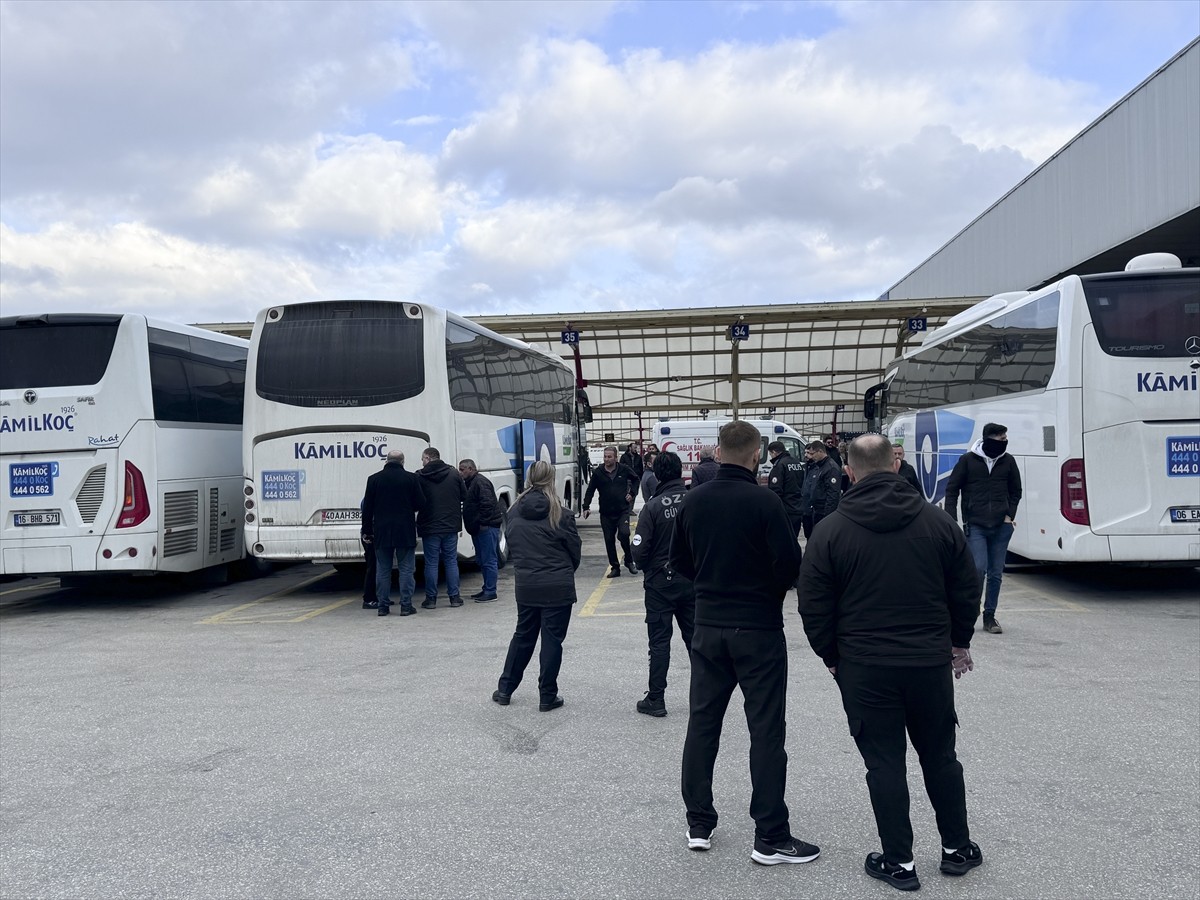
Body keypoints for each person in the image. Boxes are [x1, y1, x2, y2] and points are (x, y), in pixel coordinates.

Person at [797, 434, 982, 892]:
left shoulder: (831, 530)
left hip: (864, 666)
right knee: (940, 756)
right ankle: (957, 848)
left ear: (850, 472)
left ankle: (899, 862)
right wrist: (959, 642)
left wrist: (832, 658)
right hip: (928, 664)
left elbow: (813, 604)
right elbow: (966, 587)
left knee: (884, 763)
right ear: (896, 466)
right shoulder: (939, 523)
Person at [669, 420, 817, 866]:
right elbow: (791, 565)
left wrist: (714, 586)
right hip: (758, 629)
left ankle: (699, 823)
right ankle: (770, 835)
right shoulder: (766, 502)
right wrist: (763, 591)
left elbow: (679, 562)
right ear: (757, 456)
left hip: (708, 627)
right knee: (766, 731)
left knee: (702, 725)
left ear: (717, 452)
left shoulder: (693, 501)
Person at [492, 460, 581, 712]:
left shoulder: (513, 513)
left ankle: (505, 688)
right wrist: (563, 571)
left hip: (527, 584)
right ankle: (547, 695)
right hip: (557, 585)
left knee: (523, 636)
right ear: (551, 479)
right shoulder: (561, 514)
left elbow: (513, 547)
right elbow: (574, 551)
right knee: (552, 640)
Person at [631, 451, 695, 718]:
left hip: (660, 583)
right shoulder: (696, 500)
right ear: (681, 471)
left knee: (659, 643)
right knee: (697, 641)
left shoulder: (653, 506)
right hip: (693, 581)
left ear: (657, 474)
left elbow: (638, 550)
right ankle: (705, 698)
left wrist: (648, 568)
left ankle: (656, 698)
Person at [944, 423, 1022, 636]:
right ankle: (970, 611)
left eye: (1005, 437)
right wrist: (952, 520)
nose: (1004, 440)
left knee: (996, 573)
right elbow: (952, 491)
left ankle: (990, 616)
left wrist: (1010, 515)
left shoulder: (1008, 461)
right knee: (978, 569)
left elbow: (1016, 491)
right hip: (976, 524)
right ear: (988, 439)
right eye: (1000, 437)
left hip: (1001, 526)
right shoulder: (968, 461)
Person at [361, 451, 427, 617]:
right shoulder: (411, 479)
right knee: (406, 569)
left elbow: (367, 508)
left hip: (382, 531)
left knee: (383, 570)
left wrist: (367, 531)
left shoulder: (373, 479)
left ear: (386, 461)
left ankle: (383, 606)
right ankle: (406, 606)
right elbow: (421, 503)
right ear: (402, 461)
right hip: (405, 530)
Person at [417, 447, 467, 609]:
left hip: (429, 526)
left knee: (431, 563)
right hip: (450, 525)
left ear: (429, 458)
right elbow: (464, 496)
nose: (422, 462)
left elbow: (416, 500)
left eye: (423, 458)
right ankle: (454, 598)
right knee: (451, 561)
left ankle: (431, 599)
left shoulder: (420, 476)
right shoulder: (454, 474)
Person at [582, 446, 640, 578]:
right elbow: (590, 490)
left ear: (615, 457)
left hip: (622, 510)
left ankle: (629, 561)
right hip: (606, 513)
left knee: (624, 534)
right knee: (609, 540)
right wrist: (586, 506)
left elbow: (636, 479)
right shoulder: (598, 472)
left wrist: (632, 493)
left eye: (609, 457)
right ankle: (615, 567)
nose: (607, 459)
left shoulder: (624, 469)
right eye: (605, 457)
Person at [459, 458, 502, 603]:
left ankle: (491, 591)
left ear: (471, 469)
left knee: (489, 559)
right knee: (482, 559)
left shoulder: (480, 482)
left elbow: (487, 503)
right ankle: (486, 588)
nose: (461, 472)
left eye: (462, 469)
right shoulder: (471, 483)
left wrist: (483, 523)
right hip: (478, 528)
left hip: (486, 527)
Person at [800, 441, 841, 539]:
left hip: (823, 512)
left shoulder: (830, 468)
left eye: (812, 453)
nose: (811, 456)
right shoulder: (819, 466)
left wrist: (827, 517)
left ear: (820, 451)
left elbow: (833, 495)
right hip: (815, 511)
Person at [766, 440, 806, 538]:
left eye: (770, 454)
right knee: (793, 538)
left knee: (783, 539)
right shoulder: (796, 463)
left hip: (786, 509)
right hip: (797, 507)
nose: (771, 457)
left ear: (774, 452)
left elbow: (776, 491)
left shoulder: (779, 465)